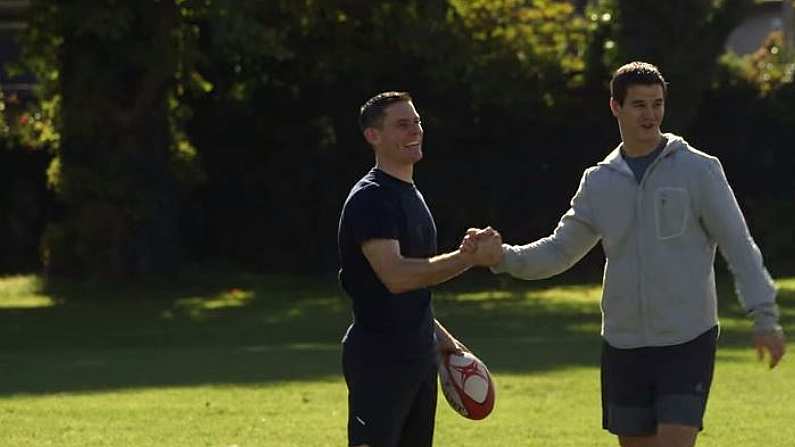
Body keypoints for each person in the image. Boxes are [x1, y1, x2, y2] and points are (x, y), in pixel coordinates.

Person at [463, 61, 786, 447]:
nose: (650, 115)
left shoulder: (700, 170)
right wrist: (502, 257)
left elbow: (739, 245)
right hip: (623, 345)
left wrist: (764, 317)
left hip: (687, 340)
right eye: (639, 105)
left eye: (657, 104)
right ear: (615, 107)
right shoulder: (598, 182)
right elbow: (560, 251)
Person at [337, 91, 494, 447]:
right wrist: (467, 257)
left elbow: (415, 292)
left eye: (417, 122)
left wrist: (445, 343)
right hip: (380, 358)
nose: (415, 131)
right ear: (372, 136)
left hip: (419, 354)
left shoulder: (411, 194)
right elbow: (398, 277)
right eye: (402, 125)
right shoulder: (371, 197)